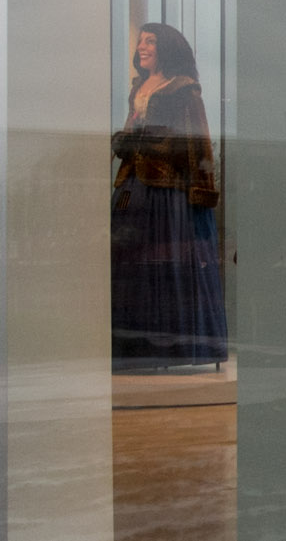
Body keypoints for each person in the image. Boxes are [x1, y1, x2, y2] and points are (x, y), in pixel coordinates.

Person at [110, 22, 228, 369]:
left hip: (167, 193)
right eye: (141, 42)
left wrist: (201, 188)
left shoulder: (183, 90)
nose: (142, 47)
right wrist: (125, 140)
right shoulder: (140, 87)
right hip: (135, 186)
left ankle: (169, 349)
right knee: (131, 263)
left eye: (150, 42)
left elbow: (194, 142)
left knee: (166, 266)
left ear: (166, 48)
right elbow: (136, 129)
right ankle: (133, 349)